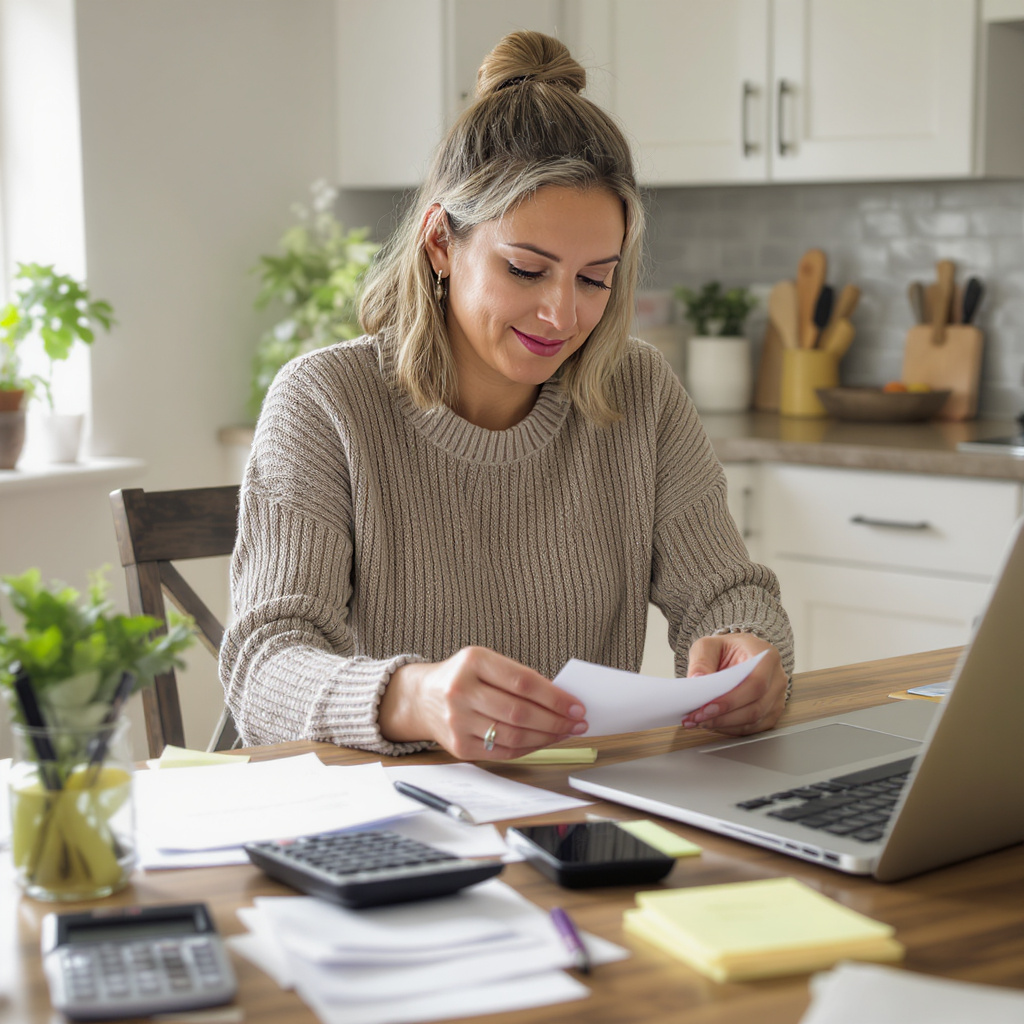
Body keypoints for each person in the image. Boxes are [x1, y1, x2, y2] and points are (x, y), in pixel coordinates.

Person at [220, 30, 794, 760]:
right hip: (381, 825)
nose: (563, 314)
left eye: (595, 278)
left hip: (575, 813)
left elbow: (726, 593)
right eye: (527, 269)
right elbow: (263, 665)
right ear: (439, 244)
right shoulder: (325, 402)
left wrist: (754, 651)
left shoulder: (640, 393)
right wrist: (414, 697)